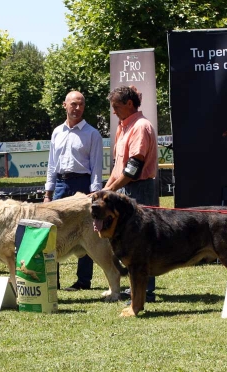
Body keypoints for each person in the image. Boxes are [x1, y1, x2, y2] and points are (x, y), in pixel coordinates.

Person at [44, 90, 103, 291]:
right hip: (61, 185)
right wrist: (48, 193)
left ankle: (83, 281)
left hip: (83, 186)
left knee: (86, 232)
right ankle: (54, 281)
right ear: (65, 105)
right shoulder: (56, 132)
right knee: (53, 233)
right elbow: (52, 165)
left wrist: (96, 195)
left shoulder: (92, 134)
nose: (77, 108)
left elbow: (96, 167)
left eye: (80, 104)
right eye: (73, 104)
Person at [104, 86, 158, 302]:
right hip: (124, 188)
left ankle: (146, 291)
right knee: (127, 239)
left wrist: (111, 190)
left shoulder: (141, 127)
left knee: (141, 241)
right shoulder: (123, 127)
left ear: (129, 104)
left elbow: (133, 168)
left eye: (116, 107)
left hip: (140, 188)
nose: (114, 111)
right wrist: (104, 190)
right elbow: (118, 167)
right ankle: (136, 287)